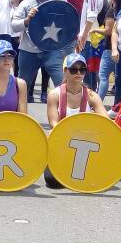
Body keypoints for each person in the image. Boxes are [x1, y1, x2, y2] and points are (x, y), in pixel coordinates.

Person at [44, 53, 108, 188]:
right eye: (73, 69)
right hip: (62, 140)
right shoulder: (54, 95)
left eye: (82, 69)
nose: (78, 73)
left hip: (85, 141)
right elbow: (53, 123)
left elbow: (106, 121)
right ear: (65, 71)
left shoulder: (92, 95)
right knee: (52, 182)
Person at [12, 0, 68, 103]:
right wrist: (27, 20)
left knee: (63, 85)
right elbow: (14, 26)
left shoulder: (60, 2)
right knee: (22, 88)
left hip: (52, 51)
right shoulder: (25, 4)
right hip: (28, 51)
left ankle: (67, 117)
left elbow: (68, 23)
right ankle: (16, 119)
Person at [96, 0, 121, 100]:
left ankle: (100, 104)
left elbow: (108, 30)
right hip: (112, 48)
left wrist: (94, 31)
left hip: (120, 49)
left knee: (104, 76)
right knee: (119, 78)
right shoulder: (113, 10)